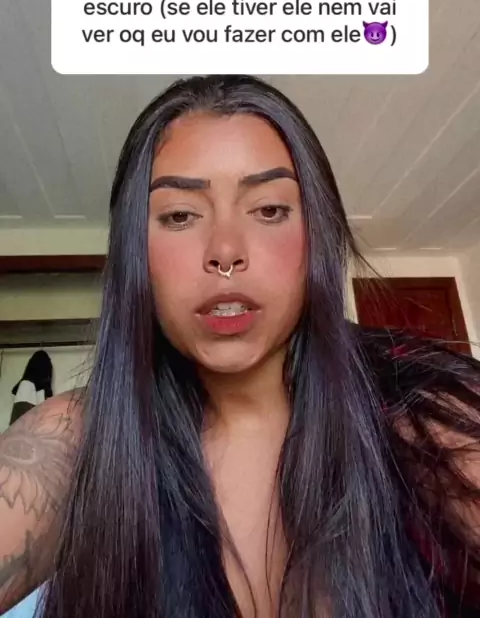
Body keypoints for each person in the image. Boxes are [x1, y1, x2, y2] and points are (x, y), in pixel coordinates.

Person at [1, 73, 480, 618]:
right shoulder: (80, 437)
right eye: (180, 215)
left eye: (269, 210)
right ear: (137, 252)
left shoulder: (425, 412)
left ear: (316, 235)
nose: (225, 251)